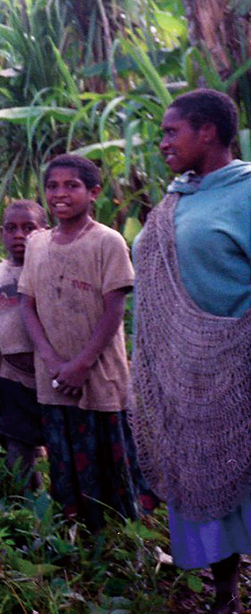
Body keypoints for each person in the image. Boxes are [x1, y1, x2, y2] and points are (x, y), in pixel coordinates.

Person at [131, 89, 251, 614]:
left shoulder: (246, 192)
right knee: (204, 477)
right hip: (188, 376)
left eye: (171, 131)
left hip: (241, 365)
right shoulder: (177, 198)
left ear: (208, 132)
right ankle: (225, 591)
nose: (162, 143)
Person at [18, 154, 141, 530]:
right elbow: (28, 305)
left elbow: (112, 312)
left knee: (109, 459)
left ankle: (119, 540)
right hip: (52, 379)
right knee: (64, 458)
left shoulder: (108, 241)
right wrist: (53, 361)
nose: (60, 194)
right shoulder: (37, 243)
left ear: (94, 192)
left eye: (72, 185)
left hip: (99, 378)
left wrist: (81, 364)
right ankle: (77, 535)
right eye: (53, 186)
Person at [0, 200, 47, 490]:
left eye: (28, 227)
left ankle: (66, 517)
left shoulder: (52, 267)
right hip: (12, 379)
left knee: (62, 450)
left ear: (44, 230)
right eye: (11, 228)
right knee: (18, 454)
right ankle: (26, 513)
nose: (19, 235)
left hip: (52, 379)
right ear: (2, 233)